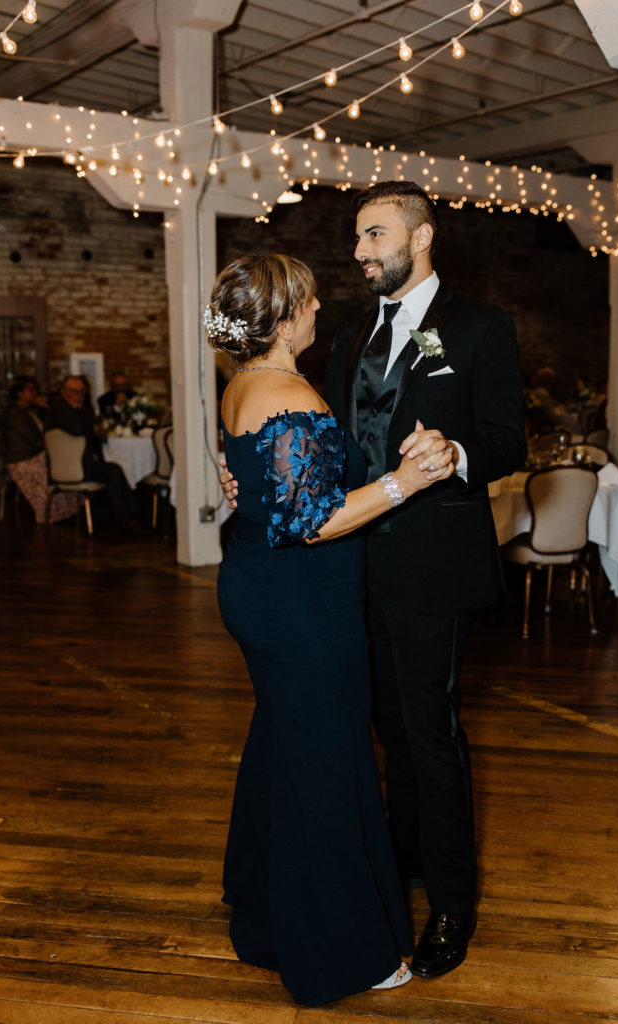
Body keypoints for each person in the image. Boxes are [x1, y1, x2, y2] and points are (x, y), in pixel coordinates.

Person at [221, 181, 526, 980]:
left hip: (428, 568)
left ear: (419, 237)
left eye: (373, 235)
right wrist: (249, 480)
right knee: (372, 733)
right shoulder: (349, 333)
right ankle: (388, 872)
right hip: (340, 572)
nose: (359, 253)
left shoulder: (482, 328)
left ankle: (451, 903)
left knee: (429, 734)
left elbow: (504, 440)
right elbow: (313, 450)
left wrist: (452, 458)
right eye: (357, 239)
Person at [205, 252, 454, 1005]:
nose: (318, 310)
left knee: (287, 752)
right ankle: (343, 954)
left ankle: (271, 922)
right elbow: (313, 522)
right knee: (328, 768)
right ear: (282, 320)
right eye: (309, 302)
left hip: (262, 587)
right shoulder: (288, 393)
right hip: (300, 606)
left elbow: (272, 490)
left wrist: (251, 489)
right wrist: (403, 481)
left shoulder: (243, 383)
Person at [45, 375, 140, 530]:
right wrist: (95, 428)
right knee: (113, 470)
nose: (78, 395)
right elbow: (77, 428)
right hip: (72, 467)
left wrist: (96, 428)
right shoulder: (58, 408)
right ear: (64, 392)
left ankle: (119, 516)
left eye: (81, 392)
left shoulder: (81, 409)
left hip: (83, 463)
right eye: (73, 391)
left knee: (116, 466)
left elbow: (92, 425)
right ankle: (128, 519)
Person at [2, 376, 77, 524]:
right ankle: (51, 513)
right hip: (23, 460)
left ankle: (67, 510)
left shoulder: (29, 412)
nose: (34, 393)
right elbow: (34, 440)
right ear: (19, 393)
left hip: (34, 455)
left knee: (63, 463)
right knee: (54, 467)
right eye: (30, 389)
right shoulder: (14, 414)